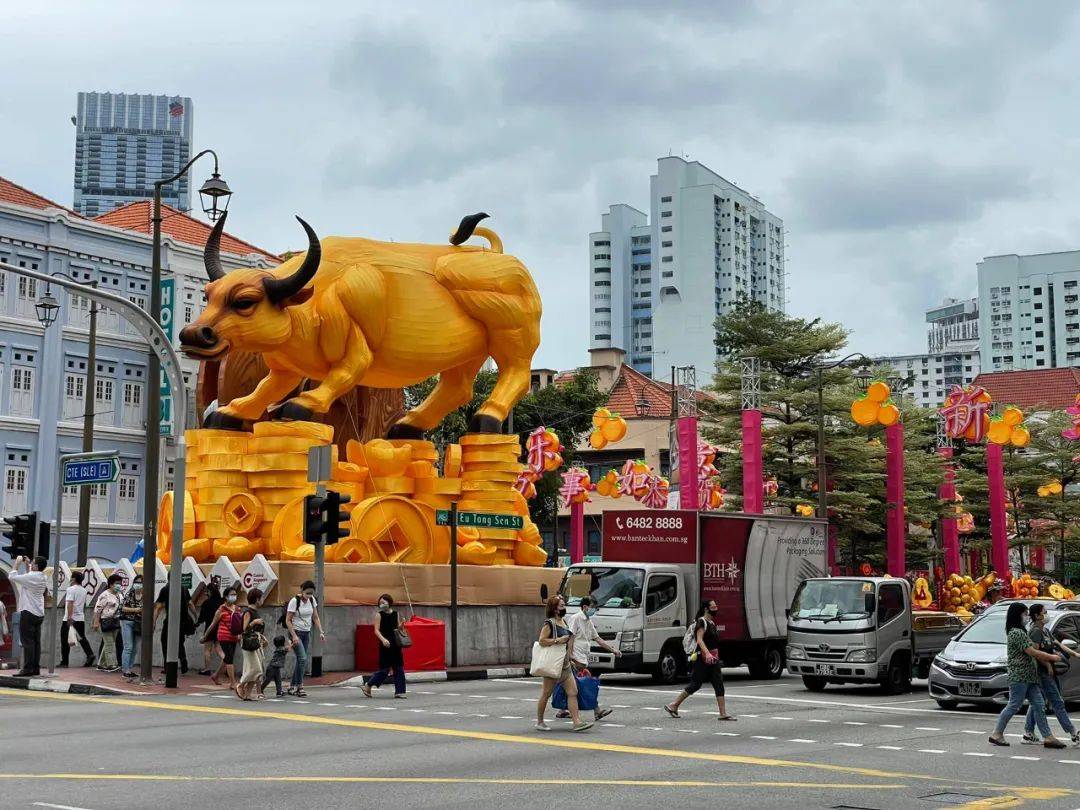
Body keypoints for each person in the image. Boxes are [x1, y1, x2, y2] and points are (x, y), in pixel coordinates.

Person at [989, 602, 1066, 749]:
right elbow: (1032, 651)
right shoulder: (1016, 633)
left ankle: (1048, 737)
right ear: (1017, 615)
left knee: (1039, 705)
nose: (1027, 617)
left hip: (1029, 676)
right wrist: (1051, 658)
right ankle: (997, 733)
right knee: (1013, 705)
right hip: (1019, 676)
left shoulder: (1021, 631)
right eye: (1024, 614)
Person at [664, 600, 735, 722]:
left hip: (713, 658)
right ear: (707, 609)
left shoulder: (711, 622)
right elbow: (699, 640)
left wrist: (713, 655)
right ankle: (674, 705)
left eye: (716, 606)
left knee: (719, 683)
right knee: (695, 684)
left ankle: (723, 713)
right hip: (702, 658)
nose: (716, 608)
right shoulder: (701, 622)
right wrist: (707, 653)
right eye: (713, 607)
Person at [1021, 603, 1080, 747]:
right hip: (1041, 672)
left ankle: (1028, 733)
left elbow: (1058, 644)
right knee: (1057, 702)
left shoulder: (1045, 631)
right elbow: (1035, 653)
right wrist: (1048, 664)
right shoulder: (1035, 632)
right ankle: (1073, 733)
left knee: (1037, 703)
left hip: (1049, 671)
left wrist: (1074, 654)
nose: (1046, 615)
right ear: (1037, 616)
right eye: (1044, 612)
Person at [534, 595, 592, 732]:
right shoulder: (550, 623)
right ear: (554, 609)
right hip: (553, 666)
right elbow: (542, 641)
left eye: (564, 605)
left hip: (565, 666)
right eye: (561, 606)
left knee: (573, 692)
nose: (564, 607)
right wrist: (557, 640)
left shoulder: (563, 622)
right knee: (546, 694)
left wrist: (570, 657)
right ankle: (540, 721)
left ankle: (577, 722)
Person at [555, 595, 619, 721]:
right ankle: (596, 711)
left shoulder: (588, 621)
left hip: (583, 658)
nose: (594, 610)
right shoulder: (576, 618)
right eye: (593, 607)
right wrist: (570, 657)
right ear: (585, 607)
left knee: (573, 686)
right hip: (576, 659)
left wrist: (613, 650)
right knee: (585, 686)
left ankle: (562, 710)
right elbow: (570, 638)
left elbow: (598, 639)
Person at [361, 594, 407, 699]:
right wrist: (383, 640)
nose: (382, 604)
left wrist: (401, 625)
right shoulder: (379, 615)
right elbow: (376, 630)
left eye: (384, 602)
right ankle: (368, 685)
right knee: (384, 670)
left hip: (395, 645)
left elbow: (399, 629)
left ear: (389, 602)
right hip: (385, 645)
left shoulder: (396, 614)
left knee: (399, 668)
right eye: (380, 603)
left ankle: (400, 691)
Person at [8, 556, 47, 676]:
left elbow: (12, 576)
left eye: (32, 564)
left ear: (35, 566)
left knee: (27, 642)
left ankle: (27, 669)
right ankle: (35, 668)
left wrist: (17, 564)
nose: (31, 565)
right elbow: (28, 577)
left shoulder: (31, 577)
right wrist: (27, 565)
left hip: (28, 613)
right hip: (39, 613)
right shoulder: (42, 576)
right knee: (36, 642)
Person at [285, 580, 324, 698]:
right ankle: (300, 686)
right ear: (302, 591)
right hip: (296, 632)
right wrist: (294, 636)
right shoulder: (294, 601)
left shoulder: (312, 601)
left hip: (306, 633)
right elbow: (288, 620)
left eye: (311, 593)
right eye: (307, 593)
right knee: (303, 658)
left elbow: (315, 617)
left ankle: (292, 686)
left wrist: (321, 631)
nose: (309, 596)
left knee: (300, 660)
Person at [153, 581, 194, 675]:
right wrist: (195, 616)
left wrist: (154, 622)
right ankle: (183, 662)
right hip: (183, 621)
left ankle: (167, 667)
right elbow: (190, 604)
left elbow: (158, 607)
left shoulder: (165, 589)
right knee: (179, 643)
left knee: (165, 641)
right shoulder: (184, 588)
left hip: (170, 621)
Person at [206, 585, 241, 691]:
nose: (234, 596)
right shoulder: (221, 609)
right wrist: (205, 636)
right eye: (231, 595)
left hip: (234, 636)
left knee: (227, 658)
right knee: (229, 659)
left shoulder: (238, 608)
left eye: (235, 594)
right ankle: (232, 683)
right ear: (226, 597)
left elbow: (240, 623)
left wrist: (240, 634)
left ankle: (216, 675)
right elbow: (213, 624)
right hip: (224, 636)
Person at [236, 589, 266, 700]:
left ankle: (247, 694)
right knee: (256, 669)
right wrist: (254, 622)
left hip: (256, 643)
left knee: (257, 671)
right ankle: (240, 685)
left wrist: (262, 638)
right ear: (257, 599)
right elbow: (244, 629)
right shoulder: (248, 612)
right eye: (261, 598)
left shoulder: (256, 612)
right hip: (249, 644)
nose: (262, 600)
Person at [60, 571, 95, 668]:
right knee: (82, 638)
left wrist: (69, 617)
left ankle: (64, 662)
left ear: (74, 579)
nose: (70, 579)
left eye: (71, 577)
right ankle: (90, 654)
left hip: (70, 618)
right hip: (80, 618)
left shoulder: (71, 589)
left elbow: (70, 603)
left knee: (64, 639)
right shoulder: (83, 590)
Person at [92, 574, 124, 672]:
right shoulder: (104, 595)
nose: (119, 585)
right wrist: (96, 622)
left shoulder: (119, 595)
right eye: (116, 583)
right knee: (109, 644)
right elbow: (98, 610)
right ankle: (111, 664)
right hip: (105, 621)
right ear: (110, 584)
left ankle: (101, 664)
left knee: (109, 643)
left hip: (116, 621)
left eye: (120, 583)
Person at [118, 574, 144, 679]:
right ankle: (125, 670)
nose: (138, 584)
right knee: (128, 646)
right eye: (136, 582)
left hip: (139, 623)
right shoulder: (129, 594)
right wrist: (136, 610)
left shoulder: (147, 595)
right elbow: (122, 608)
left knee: (135, 648)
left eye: (140, 582)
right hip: (127, 621)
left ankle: (130, 668)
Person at [196, 583, 223, 676]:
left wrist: (196, 623)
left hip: (210, 628)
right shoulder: (221, 602)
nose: (205, 593)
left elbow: (202, 617)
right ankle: (227, 663)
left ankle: (207, 669)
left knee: (207, 649)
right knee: (218, 648)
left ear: (210, 592)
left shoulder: (207, 603)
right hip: (220, 628)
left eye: (207, 591)